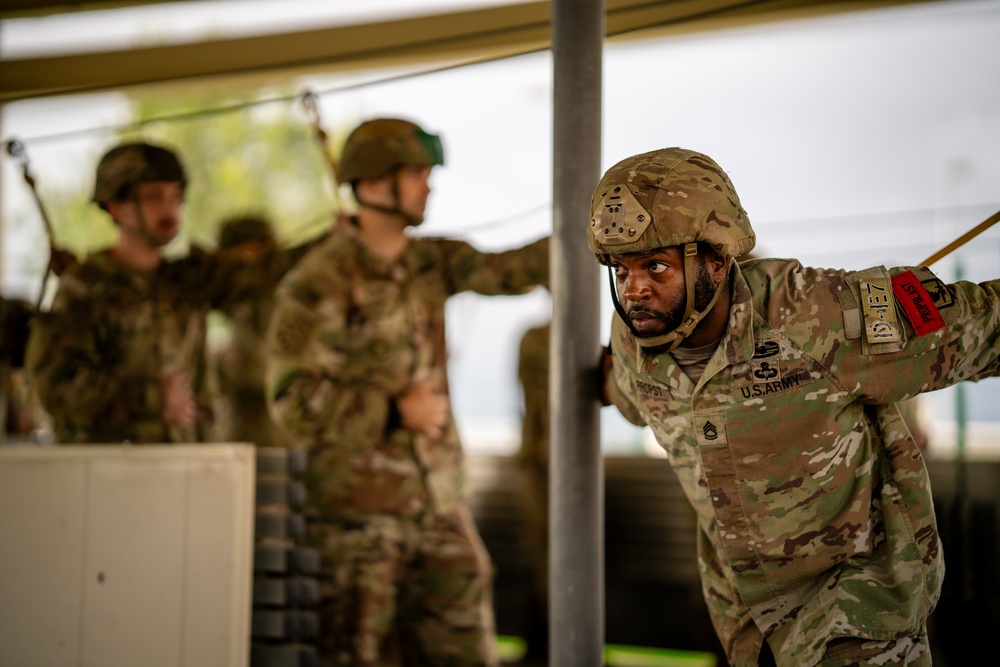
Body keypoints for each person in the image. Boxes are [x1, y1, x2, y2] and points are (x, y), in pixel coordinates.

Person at [591, 147, 1000, 667]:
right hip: (749, 628)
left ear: (717, 262)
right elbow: (626, 393)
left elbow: (984, 329)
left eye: (655, 266)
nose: (634, 290)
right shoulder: (633, 345)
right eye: (620, 270)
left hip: (856, 617)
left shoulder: (818, 314)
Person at [266, 117, 549, 667]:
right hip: (358, 521)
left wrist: (602, 233)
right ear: (373, 185)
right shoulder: (318, 282)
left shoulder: (430, 261)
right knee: (358, 652)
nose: (429, 184)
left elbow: (507, 270)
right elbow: (293, 402)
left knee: (465, 644)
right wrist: (396, 414)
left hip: (440, 500)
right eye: (416, 173)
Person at [26, 141, 268, 444]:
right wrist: (152, 399)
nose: (170, 210)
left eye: (176, 197)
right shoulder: (85, 289)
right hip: (110, 474)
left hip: (191, 469)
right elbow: (58, 388)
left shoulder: (185, 281)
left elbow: (271, 275)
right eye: (154, 198)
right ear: (117, 208)